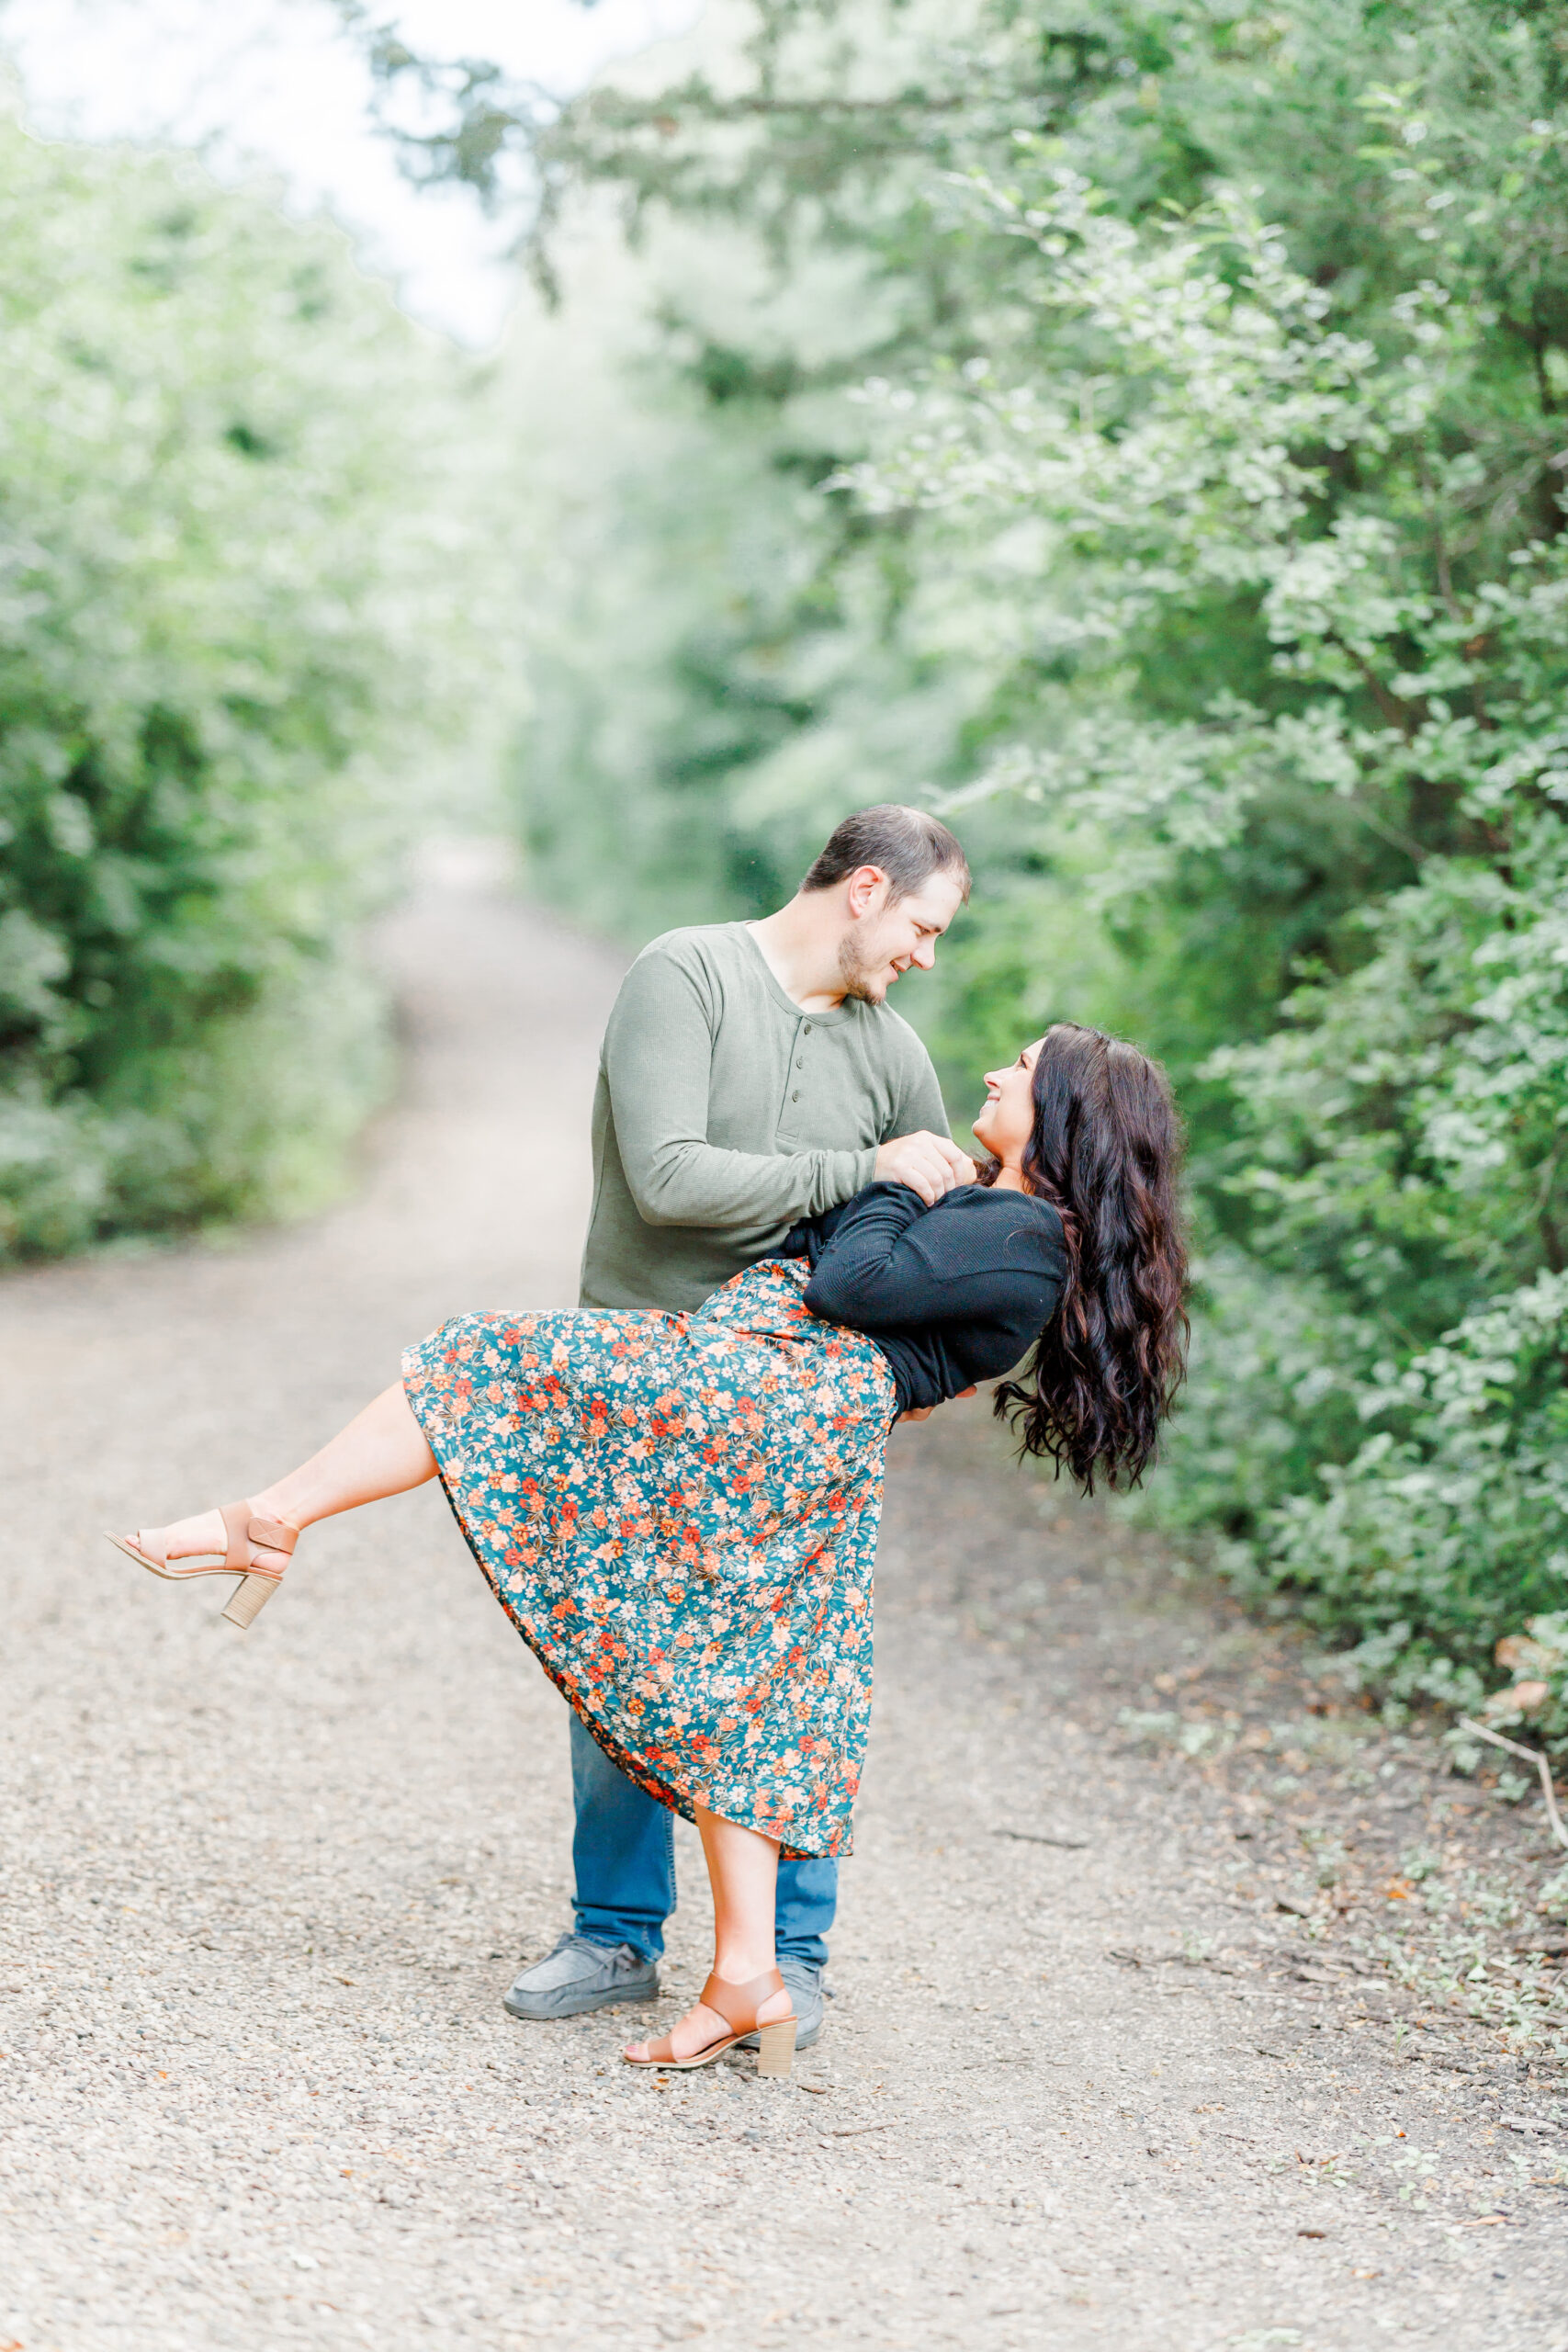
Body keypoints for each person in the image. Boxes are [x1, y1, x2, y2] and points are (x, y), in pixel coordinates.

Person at [108, 1019, 1189, 2078]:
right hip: (779, 1403)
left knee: (481, 1359)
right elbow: (866, 1280)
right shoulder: (1001, 1219)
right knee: (738, 1689)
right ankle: (744, 1979)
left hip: (772, 1400)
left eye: (1025, 1068)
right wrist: (907, 1194)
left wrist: (901, 1180)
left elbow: (846, 1283)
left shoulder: (1020, 1235)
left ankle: (271, 1521)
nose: (998, 1071)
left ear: (1068, 1118)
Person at [514, 804, 976, 2049]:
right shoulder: (686, 975)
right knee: (615, 1646)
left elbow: (922, 1237)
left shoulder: (892, 1056)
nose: (924, 957)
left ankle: (788, 1958)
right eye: (923, 927)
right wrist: (859, 1172)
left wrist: (915, 1362)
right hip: (642, 1365)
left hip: (793, 1409)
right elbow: (668, 1180)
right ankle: (613, 1934)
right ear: (867, 889)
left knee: (794, 1675)